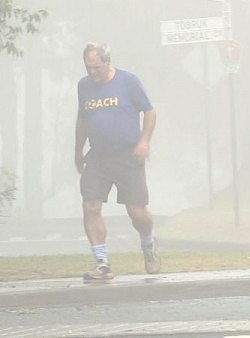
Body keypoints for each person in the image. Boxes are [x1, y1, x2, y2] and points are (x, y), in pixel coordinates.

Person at [74, 42, 159, 281]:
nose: (92, 72)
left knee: (136, 211)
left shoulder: (128, 81)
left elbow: (150, 111)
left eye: (96, 67)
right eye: (88, 67)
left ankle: (148, 243)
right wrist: (78, 150)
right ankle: (102, 264)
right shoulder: (84, 86)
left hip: (128, 155)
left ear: (107, 62)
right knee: (90, 206)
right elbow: (82, 119)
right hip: (98, 157)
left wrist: (144, 141)